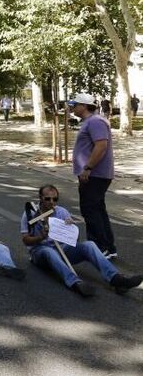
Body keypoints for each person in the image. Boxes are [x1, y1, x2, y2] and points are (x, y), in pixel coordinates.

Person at [21, 185, 141, 296]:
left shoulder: (61, 212)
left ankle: (115, 278)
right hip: (40, 252)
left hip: (62, 249)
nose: (51, 202)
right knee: (49, 251)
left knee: (89, 245)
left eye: (55, 199)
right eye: (48, 199)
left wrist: (71, 230)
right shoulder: (30, 213)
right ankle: (74, 282)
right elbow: (25, 240)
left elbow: (75, 240)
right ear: (40, 198)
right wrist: (40, 237)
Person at [68, 93, 117, 259]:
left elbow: (101, 145)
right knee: (97, 209)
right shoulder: (91, 121)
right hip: (94, 174)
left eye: (74, 105)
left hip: (94, 174)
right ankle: (108, 247)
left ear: (83, 106)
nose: (72, 108)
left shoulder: (95, 121)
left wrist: (88, 167)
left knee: (90, 210)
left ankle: (99, 248)